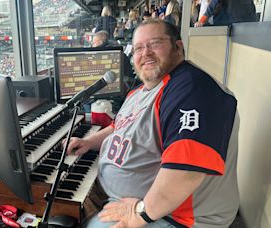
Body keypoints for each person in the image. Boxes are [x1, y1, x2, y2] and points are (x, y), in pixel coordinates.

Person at [68, 19, 239, 227]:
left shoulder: (193, 90)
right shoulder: (140, 91)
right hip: (125, 199)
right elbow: (119, 126)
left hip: (172, 216)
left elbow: (186, 172)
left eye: (155, 43)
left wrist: (140, 213)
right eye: (139, 48)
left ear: (178, 47)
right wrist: (89, 142)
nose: (145, 53)